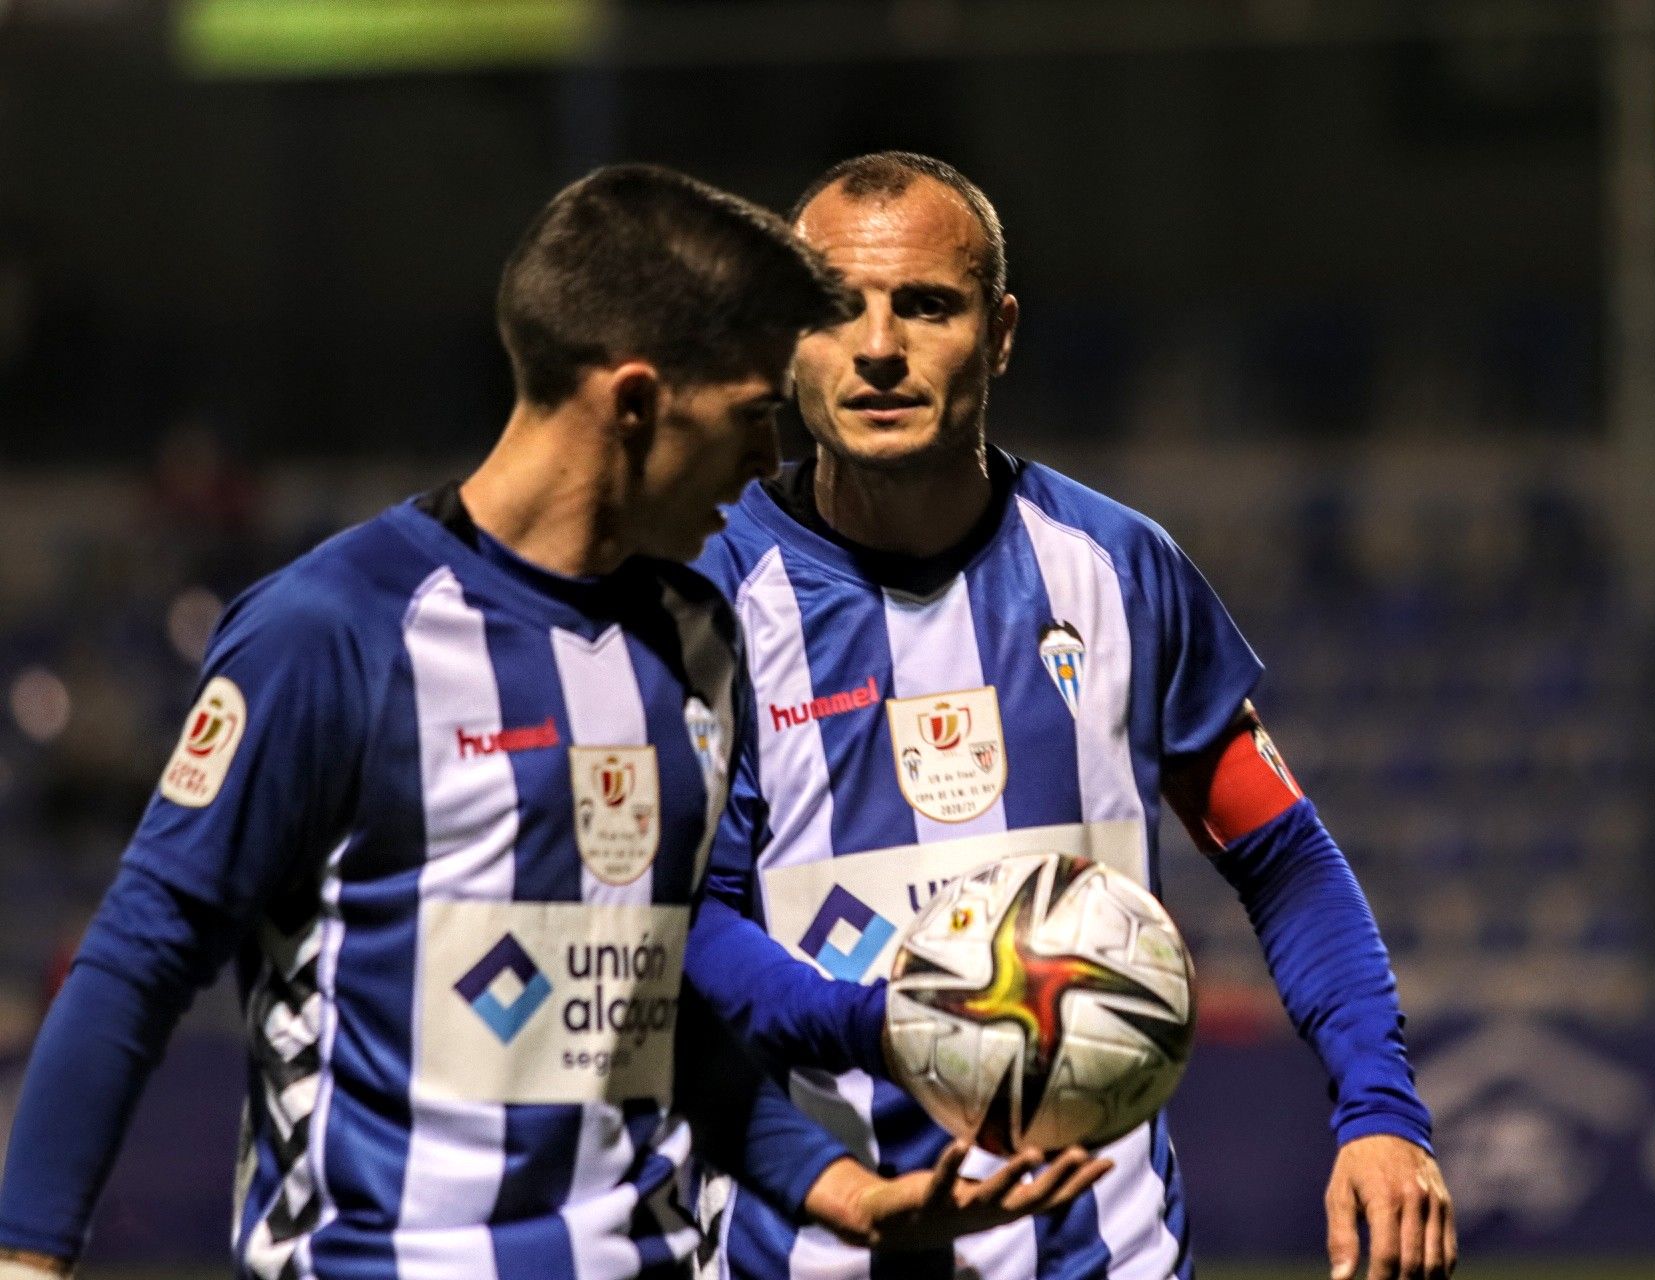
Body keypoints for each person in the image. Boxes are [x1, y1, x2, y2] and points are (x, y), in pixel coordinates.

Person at [0, 163, 1109, 1280]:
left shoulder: (698, 642)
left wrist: (846, 1191)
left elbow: (650, 1003)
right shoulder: (334, 632)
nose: (772, 457)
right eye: (751, 413)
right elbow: (139, 959)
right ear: (633, 403)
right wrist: (27, 1258)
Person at [687, 152, 1457, 1280]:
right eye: (834, 308)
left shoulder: (1119, 573)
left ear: (998, 334)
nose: (880, 346)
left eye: (927, 306)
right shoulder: (700, 606)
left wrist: (1381, 1107)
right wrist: (906, 1023)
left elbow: (1283, 853)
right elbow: (683, 926)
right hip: (803, 1255)